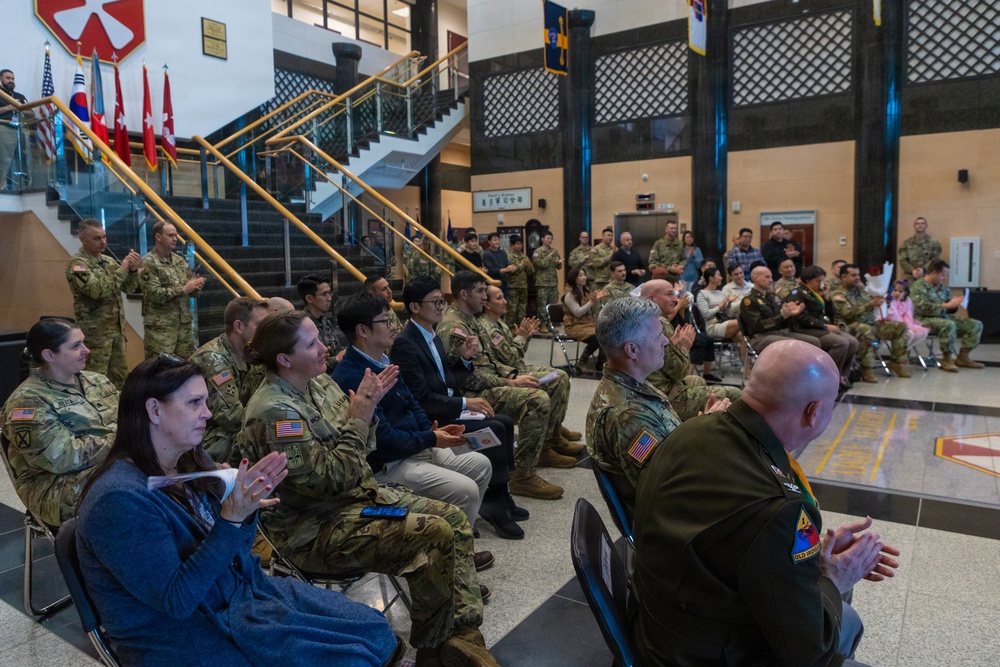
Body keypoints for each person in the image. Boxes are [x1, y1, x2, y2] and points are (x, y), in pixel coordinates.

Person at [76, 354, 399, 667]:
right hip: (185, 636)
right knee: (351, 657)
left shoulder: (187, 463)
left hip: (238, 599)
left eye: (205, 401)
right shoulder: (117, 499)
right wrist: (230, 519)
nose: (207, 413)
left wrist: (244, 509)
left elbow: (238, 555)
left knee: (373, 627)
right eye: (194, 403)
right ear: (154, 410)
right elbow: (177, 601)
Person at [240, 311, 499, 665]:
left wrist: (368, 410)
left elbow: (366, 449)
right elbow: (328, 481)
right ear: (285, 360)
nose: (324, 347)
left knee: (453, 520)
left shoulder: (319, 384)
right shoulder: (275, 413)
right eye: (312, 343)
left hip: (357, 500)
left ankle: (461, 639)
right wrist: (360, 416)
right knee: (434, 533)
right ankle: (436, 652)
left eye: (319, 338)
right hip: (314, 529)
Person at [632, 339, 901, 667]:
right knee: (846, 621)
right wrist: (835, 578)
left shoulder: (692, 430)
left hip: (659, 628)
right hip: (708, 655)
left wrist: (809, 558)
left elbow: (737, 545)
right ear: (814, 412)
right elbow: (810, 653)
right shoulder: (780, 507)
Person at [333, 291, 494, 538]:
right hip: (388, 464)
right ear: (362, 331)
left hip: (415, 444)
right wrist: (431, 439)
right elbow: (383, 440)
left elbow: (412, 402)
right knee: (466, 490)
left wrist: (431, 431)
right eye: (385, 321)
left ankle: (458, 538)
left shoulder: (383, 361)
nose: (392, 326)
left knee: (481, 464)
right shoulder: (354, 377)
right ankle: (451, 549)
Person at [390, 277, 546, 525]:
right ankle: (494, 504)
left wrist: (463, 360)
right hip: (433, 418)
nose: (441, 306)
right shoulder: (406, 344)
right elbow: (422, 398)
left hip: (446, 406)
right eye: (435, 301)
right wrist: (465, 403)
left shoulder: (431, 335)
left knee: (503, 423)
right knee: (493, 428)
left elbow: (447, 381)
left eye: (442, 300)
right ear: (415, 307)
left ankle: (502, 494)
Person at [439, 270, 578, 474]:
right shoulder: (455, 327)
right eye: (480, 292)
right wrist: (508, 383)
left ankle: (548, 444)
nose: (484, 297)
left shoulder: (471, 320)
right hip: (471, 395)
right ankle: (523, 475)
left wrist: (511, 375)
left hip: (490, 381)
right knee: (537, 399)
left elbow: (491, 361)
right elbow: (465, 378)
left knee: (555, 378)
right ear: (463, 294)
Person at [0, 319, 114, 527]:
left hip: (105, 467)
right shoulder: (27, 401)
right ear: (49, 355)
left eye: (84, 342)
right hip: (55, 488)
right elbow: (62, 457)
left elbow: (130, 417)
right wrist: (123, 440)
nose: (86, 350)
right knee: (131, 489)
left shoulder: (97, 381)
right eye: (76, 346)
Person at [586, 297, 678, 512]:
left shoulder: (635, 385)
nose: (666, 341)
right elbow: (667, 488)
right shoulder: (629, 416)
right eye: (658, 336)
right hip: (671, 523)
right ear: (632, 350)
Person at [480, 284, 582, 457]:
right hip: (507, 374)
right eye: (499, 298)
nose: (505, 301)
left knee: (560, 375)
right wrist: (522, 337)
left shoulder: (499, 323)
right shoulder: (488, 327)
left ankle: (554, 429)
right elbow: (510, 359)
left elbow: (515, 354)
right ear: (487, 304)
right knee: (556, 380)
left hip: (516, 367)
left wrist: (523, 338)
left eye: (504, 296)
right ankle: (547, 442)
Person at [642, 280, 739, 422]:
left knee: (697, 380)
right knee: (734, 394)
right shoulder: (658, 323)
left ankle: (696, 424)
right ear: (651, 299)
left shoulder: (640, 318)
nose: (676, 299)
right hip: (659, 395)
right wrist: (684, 348)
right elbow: (677, 374)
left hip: (645, 388)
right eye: (669, 295)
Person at [188, 296, 270, 464]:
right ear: (239, 326)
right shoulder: (214, 359)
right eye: (261, 325)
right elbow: (231, 419)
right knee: (254, 435)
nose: (266, 331)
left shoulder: (252, 350)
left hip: (229, 424)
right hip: (202, 433)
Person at [65, 218, 142, 389]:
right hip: (95, 336)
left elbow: (129, 288)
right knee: (94, 381)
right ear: (82, 238)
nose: (103, 242)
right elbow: (96, 290)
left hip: (116, 332)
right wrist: (123, 269)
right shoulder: (78, 264)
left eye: (104, 237)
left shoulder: (107, 261)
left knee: (119, 380)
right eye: (97, 238)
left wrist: (133, 270)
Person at [831, 264, 911, 380]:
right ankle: (866, 367)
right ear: (844, 277)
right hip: (849, 326)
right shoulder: (838, 294)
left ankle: (896, 362)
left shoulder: (863, 290)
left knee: (900, 327)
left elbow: (875, 303)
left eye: (858, 274)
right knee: (866, 330)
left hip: (871, 323)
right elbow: (847, 314)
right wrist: (870, 304)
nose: (858, 277)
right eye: (854, 275)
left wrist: (883, 300)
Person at [140, 221, 205, 358]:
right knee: (161, 369)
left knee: (185, 366)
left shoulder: (179, 261)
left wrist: (195, 286)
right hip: (161, 329)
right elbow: (154, 294)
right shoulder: (148, 262)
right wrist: (183, 289)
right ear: (158, 237)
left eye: (175, 235)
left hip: (184, 326)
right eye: (170, 235)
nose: (175, 238)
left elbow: (189, 291)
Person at [785, 265, 860, 386]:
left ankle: (841, 374)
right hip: (804, 329)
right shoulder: (797, 293)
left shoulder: (817, 293)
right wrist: (824, 326)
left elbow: (831, 314)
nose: (821, 284)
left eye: (822, 280)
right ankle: (827, 376)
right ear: (808, 280)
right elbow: (800, 317)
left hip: (819, 327)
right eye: (818, 281)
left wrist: (827, 298)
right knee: (840, 342)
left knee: (853, 342)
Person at [910, 259, 984, 372]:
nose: (944, 278)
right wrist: (946, 305)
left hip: (943, 318)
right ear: (934, 272)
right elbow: (922, 308)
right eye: (943, 275)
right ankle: (947, 359)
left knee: (975, 324)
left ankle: (963, 357)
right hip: (923, 320)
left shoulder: (942, 288)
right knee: (948, 325)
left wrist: (953, 306)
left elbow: (949, 308)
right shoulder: (918, 287)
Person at [740, 265, 818, 353]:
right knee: (793, 345)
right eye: (767, 277)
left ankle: (807, 367)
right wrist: (782, 316)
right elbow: (758, 326)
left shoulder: (773, 297)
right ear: (756, 278)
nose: (771, 280)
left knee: (813, 342)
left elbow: (783, 322)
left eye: (771, 277)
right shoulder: (749, 300)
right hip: (761, 337)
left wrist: (791, 314)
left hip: (780, 332)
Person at [562, 265, 608, 375]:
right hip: (574, 326)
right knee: (597, 338)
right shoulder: (569, 295)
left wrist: (596, 300)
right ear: (574, 278)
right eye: (580, 275)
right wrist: (591, 302)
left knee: (606, 334)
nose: (584, 277)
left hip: (588, 324)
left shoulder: (586, 292)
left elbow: (594, 310)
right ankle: (581, 362)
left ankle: (601, 363)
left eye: (584, 275)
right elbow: (578, 312)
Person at [297, 273, 345, 373]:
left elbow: (335, 351)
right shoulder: (300, 325)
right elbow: (305, 365)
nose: (329, 298)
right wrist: (336, 360)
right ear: (309, 298)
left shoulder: (325, 321)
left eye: (329, 293)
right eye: (324, 294)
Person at [696, 266, 746, 357]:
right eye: (719, 275)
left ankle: (747, 366)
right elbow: (706, 315)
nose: (721, 278)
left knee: (742, 336)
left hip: (725, 322)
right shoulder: (702, 294)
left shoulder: (720, 293)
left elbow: (728, 313)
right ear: (711, 278)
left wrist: (729, 303)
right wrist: (720, 306)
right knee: (744, 321)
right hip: (713, 325)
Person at [0, 69, 28, 190]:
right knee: (4, 159)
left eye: (12, 78)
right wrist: (9, 107)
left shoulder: (19, 96)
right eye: (8, 78)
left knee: (26, 159)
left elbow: (31, 113)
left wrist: (21, 109)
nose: (11, 81)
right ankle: (2, 186)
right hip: (3, 127)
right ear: (1, 79)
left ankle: (25, 185)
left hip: (20, 129)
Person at [886, 279, 929, 348]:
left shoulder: (907, 301)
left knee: (923, 333)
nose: (897, 293)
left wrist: (908, 326)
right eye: (895, 290)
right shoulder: (889, 301)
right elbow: (893, 316)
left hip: (903, 324)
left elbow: (908, 316)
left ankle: (904, 350)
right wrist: (903, 327)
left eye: (900, 291)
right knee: (910, 334)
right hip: (891, 324)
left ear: (905, 293)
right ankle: (899, 351)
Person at [532, 230, 563, 323]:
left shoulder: (554, 251)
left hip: (553, 282)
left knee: (552, 304)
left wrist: (558, 263)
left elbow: (559, 267)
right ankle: (542, 324)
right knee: (542, 305)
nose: (550, 240)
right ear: (542, 239)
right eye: (548, 238)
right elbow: (540, 264)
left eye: (551, 238)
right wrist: (550, 256)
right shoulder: (538, 251)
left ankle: (551, 324)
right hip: (542, 283)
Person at [898, 216, 942, 280]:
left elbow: (935, 259)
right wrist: (912, 270)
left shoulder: (934, 243)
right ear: (914, 226)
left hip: (927, 276)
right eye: (917, 223)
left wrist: (923, 269)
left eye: (922, 223)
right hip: (910, 277)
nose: (920, 225)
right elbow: (902, 260)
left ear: (926, 226)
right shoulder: (906, 243)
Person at [505, 234, 533, 326]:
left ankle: (522, 326)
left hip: (523, 286)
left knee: (522, 307)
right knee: (512, 308)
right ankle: (511, 326)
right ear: (512, 245)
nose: (519, 246)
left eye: (521, 244)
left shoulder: (524, 256)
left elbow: (531, 271)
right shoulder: (508, 256)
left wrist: (528, 265)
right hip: (512, 286)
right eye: (517, 244)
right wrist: (521, 265)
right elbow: (511, 271)